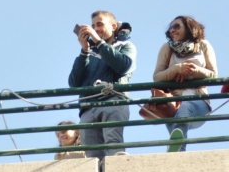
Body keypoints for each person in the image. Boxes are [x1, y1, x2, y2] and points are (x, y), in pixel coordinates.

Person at [69, 11, 137, 157]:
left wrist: (98, 42)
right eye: (93, 26)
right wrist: (84, 51)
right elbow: (74, 83)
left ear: (113, 26)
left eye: (99, 24)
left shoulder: (126, 45)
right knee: (92, 157)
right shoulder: (89, 52)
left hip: (113, 100)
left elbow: (123, 66)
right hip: (87, 107)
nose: (95, 29)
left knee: (114, 143)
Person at [152, 16, 217, 152]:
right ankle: (177, 157)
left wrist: (192, 71)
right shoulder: (167, 48)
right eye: (170, 28)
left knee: (185, 109)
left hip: (199, 101)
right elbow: (157, 77)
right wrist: (176, 69)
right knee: (177, 134)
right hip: (172, 103)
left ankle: (177, 151)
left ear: (188, 27)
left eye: (177, 26)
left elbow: (213, 74)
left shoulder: (203, 45)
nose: (172, 31)